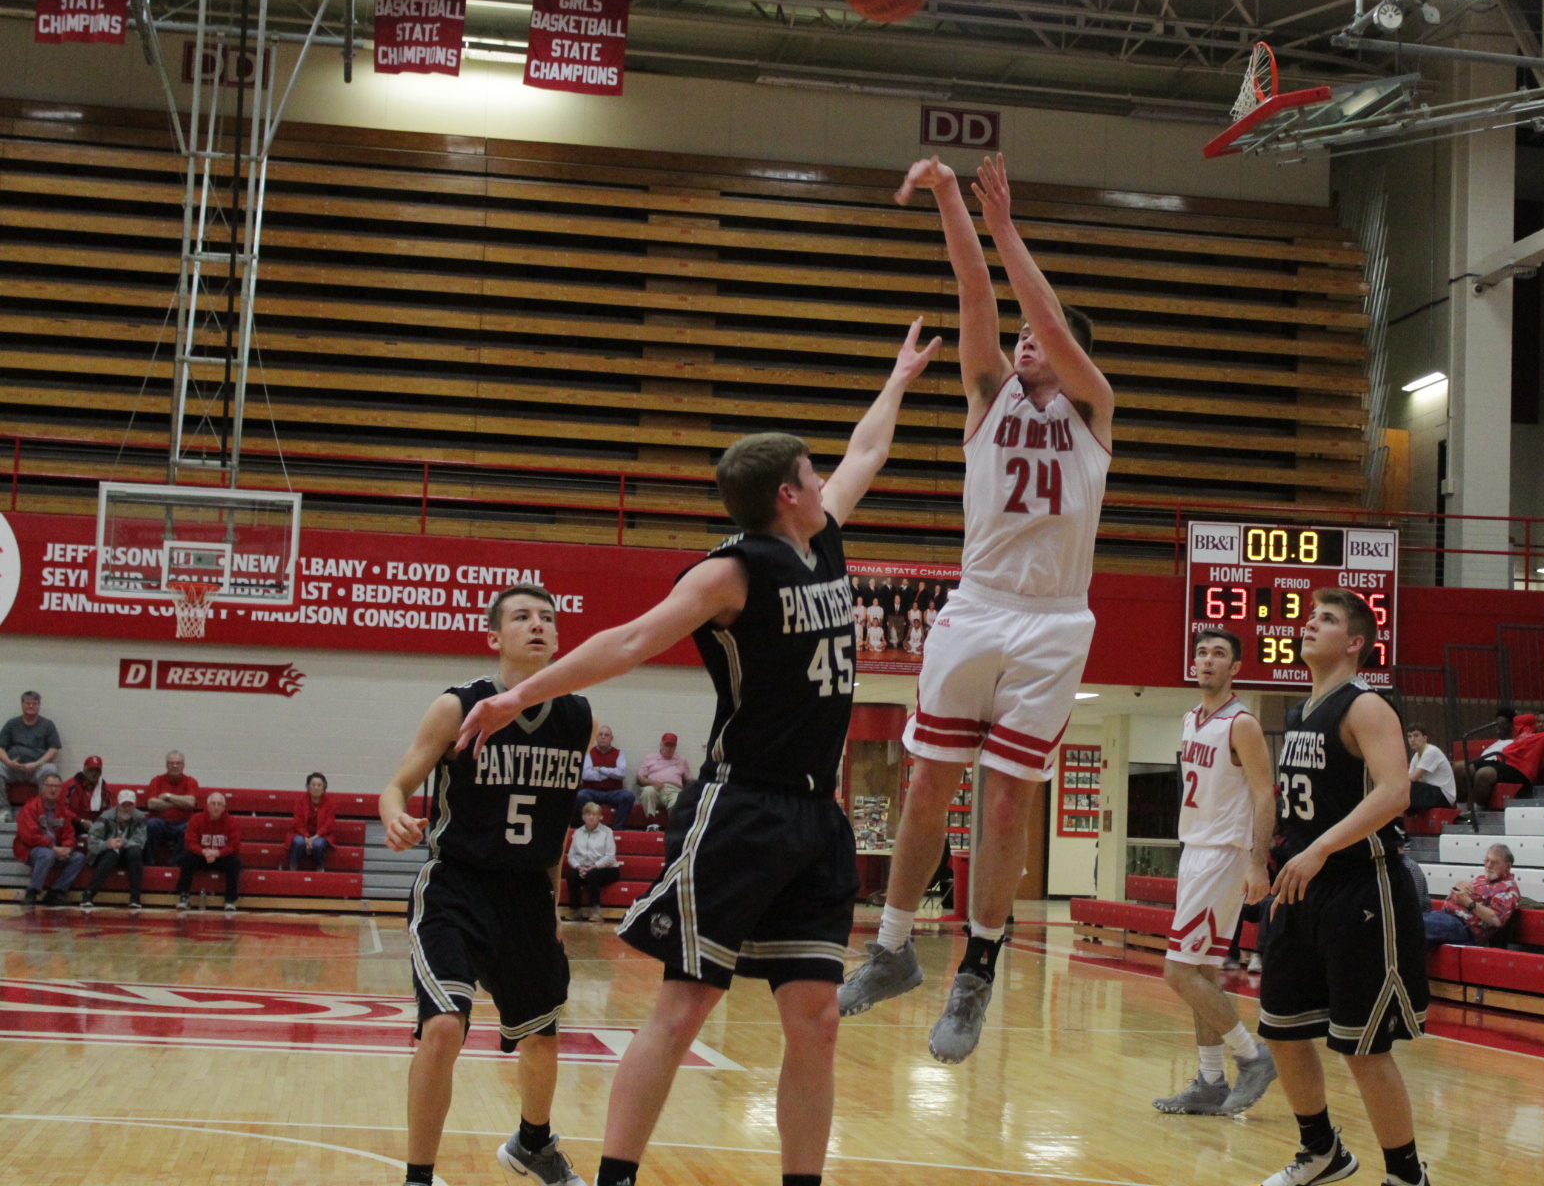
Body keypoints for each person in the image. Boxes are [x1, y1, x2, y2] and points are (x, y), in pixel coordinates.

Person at [452, 321, 936, 1186]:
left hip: (814, 817)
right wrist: (519, 695)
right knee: (684, 1007)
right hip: (740, 809)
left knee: (817, 1019)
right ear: (789, 493)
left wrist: (898, 379)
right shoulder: (731, 573)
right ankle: (616, 1179)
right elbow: (630, 640)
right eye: (813, 473)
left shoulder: (821, 537)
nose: (826, 479)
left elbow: (867, 449)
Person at [840, 153, 1114, 1068]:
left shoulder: (1093, 409)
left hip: (1056, 621)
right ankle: (891, 947)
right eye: (1022, 337)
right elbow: (973, 295)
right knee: (927, 784)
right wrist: (954, 201)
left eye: (1042, 338)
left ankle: (978, 970)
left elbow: (1046, 320)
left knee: (1004, 811)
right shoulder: (989, 396)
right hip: (979, 605)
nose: (1027, 343)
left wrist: (1007, 229)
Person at [378, 585, 599, 1186]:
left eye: (547, 617)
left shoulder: (578, 718)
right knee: (444, 1026)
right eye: (522, 617)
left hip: (526, 893)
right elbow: (396, 786)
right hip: (457, 885)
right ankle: (418, 1177)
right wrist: (394, 815)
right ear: (494, 637)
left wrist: (552, 906)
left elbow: (553, 829)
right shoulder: (457, 706)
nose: (538, 625)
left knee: (542, 1035)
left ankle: (534, 1145)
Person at [1258, 589, 1432, 1186]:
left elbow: (1395, 793)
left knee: (1363, 1046)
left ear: (1356, 642)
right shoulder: (1300, 712)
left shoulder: (1366, 706)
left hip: (1360, 889)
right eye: (1310, 617)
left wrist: (1320, 848)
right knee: (1281, 1029)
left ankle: (1407, 1176)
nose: (1310, 624)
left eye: (1326, 619)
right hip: (1300, 886)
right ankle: (1322, 1151)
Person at [1151, 629, 1278, 1117]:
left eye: (1218, 654)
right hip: (1195, 849)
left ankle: (1252, 1056)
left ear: (1235, 667)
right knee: (1202, 972)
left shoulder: (1241, 723)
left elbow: (1265, 795)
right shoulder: (1190, 719)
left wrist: (1257, 861)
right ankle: (1209, 1080)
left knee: (1178, 971)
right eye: (1201, 652)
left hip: (1224, 854)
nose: (1207, 660)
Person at [1422, 845, 1520, 951]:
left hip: (1464, 927)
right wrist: (1459, 887)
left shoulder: (1508, 888)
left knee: (1415, 926)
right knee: (1412, 921)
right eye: (1486, 860)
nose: (1488, 865)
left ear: (1508, 866)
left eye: (1495, 862)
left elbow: (1496, 920)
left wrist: (1468, 902)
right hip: (1445, 917)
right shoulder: (1481, 879)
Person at [1463, 709, 1544, 809]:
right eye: (1538, 721)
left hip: (1520, 770)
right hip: (1502, 762)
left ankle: (1477, 811)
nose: (1540, 724)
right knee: (1462, 768)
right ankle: (1460, 810)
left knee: (1483, 774)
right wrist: (1535, 716)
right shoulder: (1527, 731)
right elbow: (1517, 720)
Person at [15, 770, 84, 904]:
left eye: (57, 787)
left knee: (78, 857)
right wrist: (53, 847)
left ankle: (56, 892)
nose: (53, 789)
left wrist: (68, 848)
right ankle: (32, 891)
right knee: (47, 854)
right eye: (50, 786)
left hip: (55, 849)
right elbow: (30, 836)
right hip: (31, 850)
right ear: (42, 788)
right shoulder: (30, 807)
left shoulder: (62, 810)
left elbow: (69, 833)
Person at [176, 791, 243, 911]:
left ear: (224, 807)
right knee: (187, 858)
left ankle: (230, 900)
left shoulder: (232, 821)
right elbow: (190, 842)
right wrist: (203, 851)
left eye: (219, 804)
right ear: (207, 806)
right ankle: (184, 897)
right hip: (202, 856)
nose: (216, 807)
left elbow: (234, 845)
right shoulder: (197, 819)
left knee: (234, 862)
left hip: (220, 857)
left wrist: (218, 853)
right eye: (213, 803)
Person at [82, 788, 147, 910]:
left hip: (127, 852)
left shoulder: (140, 817)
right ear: (117, 805)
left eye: (130, 805)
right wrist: (108, 844)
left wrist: (121, 843)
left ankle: (135, 897)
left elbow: (140, 841)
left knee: (135, 853)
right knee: (111, 854)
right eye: (123, 805)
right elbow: (92, 843)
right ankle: (89, 893)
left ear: (135, 805)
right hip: (105, 853)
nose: (126, 808)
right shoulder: (105, 817)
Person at [563, 802, 620, 922]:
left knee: (592, 875)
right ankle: (576, 911)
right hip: (584, 868)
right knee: (572, 875)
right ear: (583, 817)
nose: (591, 817)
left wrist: (593, 867)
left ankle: (596, 912)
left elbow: (610, 857)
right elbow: (571, 855)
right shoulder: (578, 832)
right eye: (588, 814)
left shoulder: (607, 832)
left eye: (594, 814)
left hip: (607, 869)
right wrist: (578, 867)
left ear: (600, 817)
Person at [142, 750, 199, 865]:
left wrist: (168, 797)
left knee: (189, 828)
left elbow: (190, 803)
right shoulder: (156, 781)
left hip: (182, 823)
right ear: (166, 765)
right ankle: (150, 863)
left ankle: (173, 863)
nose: (175, 766)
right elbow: (152, 804)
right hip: (160, 823)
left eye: (178, 763)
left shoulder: (191, 782)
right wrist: (180, 802)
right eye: (171, 763)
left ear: (183, 765)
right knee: (151, 825)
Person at [577, 726, 636, 829]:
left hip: (613, 792)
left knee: (628, 796)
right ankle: (589, 827)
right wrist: (611, 773)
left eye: (606, 735)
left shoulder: (619, 753)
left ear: (611, 738)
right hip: (592, 792)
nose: (603, 737)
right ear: (596, 737)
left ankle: (618, 829)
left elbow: (621, 774)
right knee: (580, 795)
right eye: (600, 735)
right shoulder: (589, 752)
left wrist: (600, 769)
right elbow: (586, 775)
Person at [1, 690, 62, 785]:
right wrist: (9, 763)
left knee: (51, 770)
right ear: (22, 705)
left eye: (34, 704)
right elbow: (1, 748)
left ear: (39, 706)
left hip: (38, 769)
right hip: (12, 768)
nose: (31, 706)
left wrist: (36, 764)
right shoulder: (11, 724)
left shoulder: (48, 725)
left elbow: (53, 750)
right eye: (27, 703)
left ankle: (43, 796)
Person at [1448, 710, 1514, 798]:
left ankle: (1476, 806)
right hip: (1481, 764)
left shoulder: (1515, 742)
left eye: (1503, 724)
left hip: (1496, 767)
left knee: (1482, 774)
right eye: (1497, 724)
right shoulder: (1495, 744)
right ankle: (1461, 805)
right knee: (1458, 768)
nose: (1498, 727)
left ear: (1512, 726)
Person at [634, 733, 688, 820]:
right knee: (648, 791)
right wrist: (651, 782)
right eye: (667, 745)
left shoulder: (682, 760)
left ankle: (673, 826)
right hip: (654, 788)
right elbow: (640, 777)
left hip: (674, 790)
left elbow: (689, 779)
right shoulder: (650, 757)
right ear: (661, 744)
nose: (669, 748)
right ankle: (651, 822)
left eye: (672, 746)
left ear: (675, 747)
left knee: (677, 801)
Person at [289, 772, 337, 870]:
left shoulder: (330, 803)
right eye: (313, 785)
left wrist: (314, 837)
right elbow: (297, 823)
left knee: (317, 844)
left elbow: (328, 825)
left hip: (321, 835)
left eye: (319, 785)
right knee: (298, 842)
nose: (316, 788)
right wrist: (306, 836)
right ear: (308, 786)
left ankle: (320, 869)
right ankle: (293, 869)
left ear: (324, 787)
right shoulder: (300, 802)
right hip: (301, 834)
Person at [1404, 726, 1455, 812]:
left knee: (1408, 790)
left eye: (1416, 736)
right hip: (1431, 791)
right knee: (1404, 791)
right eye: (1409, 736)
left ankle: (1399, 818)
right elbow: (1408, 778)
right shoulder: (1416, 756)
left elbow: (1413, 777)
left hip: (1443, 796)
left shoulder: (1431, 751)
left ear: (1425, 738)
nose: (1412, 740)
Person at [63, 755, 112, 839]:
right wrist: (81, 821)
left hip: (95, 826)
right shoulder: (71, 786)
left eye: (97, 770)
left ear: (101, 772)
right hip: (74, 823)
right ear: (84, 770)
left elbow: (107, 812)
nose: (94, 773)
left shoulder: (104, 789)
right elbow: (63, 810)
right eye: (91, 770)